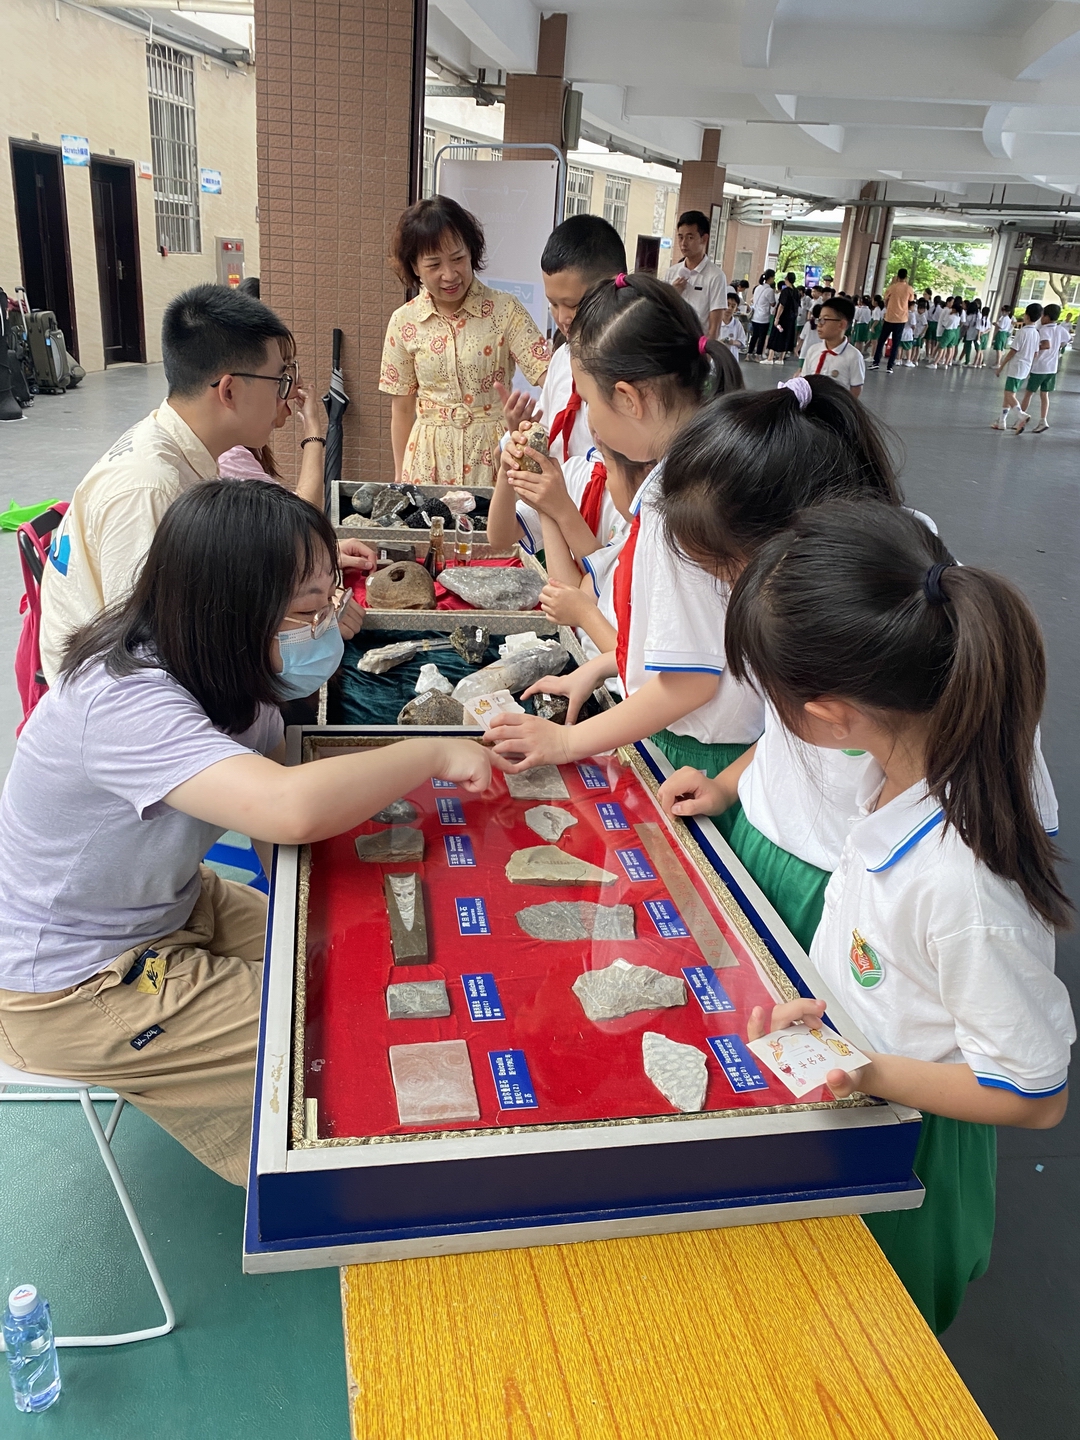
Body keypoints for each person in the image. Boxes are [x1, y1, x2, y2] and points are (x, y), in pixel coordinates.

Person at [0, 481, 495, 1186]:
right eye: (307, 610)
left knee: (354, 952)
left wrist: (314, 908)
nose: (325, 625)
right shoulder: (124, 702)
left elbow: (275, 813)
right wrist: (433, 753)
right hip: (71, 982)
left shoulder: (230, 671)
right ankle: (348, 1191)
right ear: (230, 610)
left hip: (173, 905)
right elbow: (287, 807)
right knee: (331, 1034)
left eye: (327, 602)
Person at [726, 500, 1073, 1334]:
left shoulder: (962, 885)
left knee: (879, 1340)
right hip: (867, 1096)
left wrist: (870, 1070)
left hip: (918, 1149)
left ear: (829, 715)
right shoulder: (884, 779)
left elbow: (1035, 1096)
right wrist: (840, 1027)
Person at [485, 273, 755, 807]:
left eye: (587, 399)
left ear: (628, 398)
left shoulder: (679, 507)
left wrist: (566, 741)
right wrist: (600, 668)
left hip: (702, 754)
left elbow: (690, 683)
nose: (586, 417)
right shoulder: (711, 469)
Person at [654, 376, 898, 949]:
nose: (729, 591)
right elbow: (789, 732)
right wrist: (726, 786)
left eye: (727, 571)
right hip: (764, 839)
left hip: (838, 883)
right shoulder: (804, 598)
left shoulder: (897, 615)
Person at [37, 284, 372, 690]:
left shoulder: (182, 449)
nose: (286, 397)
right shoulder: (149, 489)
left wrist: (304, 568)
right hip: (119, 698)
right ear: (229, 390)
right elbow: (152, 653)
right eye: (279, 381)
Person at [379, 196, 550, 486]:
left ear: (471, 251)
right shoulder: (403, 322)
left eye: (458, 258)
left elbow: (548, 373)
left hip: (493, 455)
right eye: (434, 264)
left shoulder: (505, 310)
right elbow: (403, 407)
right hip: (428, 461)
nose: (449, 274)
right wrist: (400, 475)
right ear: (415, 267)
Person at [498, 214, 627, 461]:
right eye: (553, 304)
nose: (562, 317)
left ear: (613, 286)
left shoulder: (632, 368)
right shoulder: (561, 359)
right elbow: (549, 433)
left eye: (573, 304)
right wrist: (523, 433)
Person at [217, 355, 328, 508]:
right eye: (283, 375)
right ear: (229, 392)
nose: (300, 383)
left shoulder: (241, 448)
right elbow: (302, 513)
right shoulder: (230, 457)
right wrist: (313, 432)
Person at [664, 211, 729, 340]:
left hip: (696, 346)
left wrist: (705, 352)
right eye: (680, 237)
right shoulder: (671, 272)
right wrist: (672, 293)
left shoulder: (716, 276)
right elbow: (661, 313)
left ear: (704, 239)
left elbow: (714, 329)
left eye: (690, 237)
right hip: (671, 343)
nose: (683, 243)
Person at [1015, 303, 1070, 434]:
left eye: (1043, 315)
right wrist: (1058, 347)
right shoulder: (1060, 329)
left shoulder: (1044, 329)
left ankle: (1020, 420)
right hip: (1052, 368)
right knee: (1044, 395)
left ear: (1047, 317)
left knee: (1029, 393)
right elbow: (1067, 340)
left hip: (1040, 367)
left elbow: (1046, 344)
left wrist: (1035, 347)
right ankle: (1043, 420)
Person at [992, 302, 1043, 430]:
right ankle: (1001, 421)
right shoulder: (1036, 333)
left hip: (1017, 366)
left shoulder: (1022, 332)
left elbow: (1012, 351)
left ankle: (1021, 415)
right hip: (1026, 367)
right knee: (1010, 394)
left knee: (1008, 394)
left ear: (1027, 316)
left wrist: (1001, 366)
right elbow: (1036, 353)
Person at [799, 297, 864, 396]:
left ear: (841, 324)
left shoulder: (854, 356)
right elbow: (804, 380)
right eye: (819, 319)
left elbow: (856, 388)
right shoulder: (813, 350)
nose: (819, 324)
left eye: (824, 320)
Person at [870, 267, 915, 373]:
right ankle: (890, 366)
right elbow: (911, 300)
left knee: (881, 340)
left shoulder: (892, 287)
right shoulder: (909, 288)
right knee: (896, 343)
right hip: (901, 319)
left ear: (897, 276)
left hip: (889, 317)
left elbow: (885, 298)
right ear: (906, 277)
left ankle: (876, 362)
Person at [764, 273, 799, 364]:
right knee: (786, 336)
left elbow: (781, 305)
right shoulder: (796, 291)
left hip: (783, 317)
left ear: (787, 279)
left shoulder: (785, 291)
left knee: (775, 335)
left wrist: (777, 318)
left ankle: (770, 358)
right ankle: (781, 358)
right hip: (791, 318)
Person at [748, 270, 777, 358]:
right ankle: (758, 355)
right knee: (762, 337)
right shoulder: (769, 290)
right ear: (770, 278)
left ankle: (749, 354)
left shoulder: (758, 287)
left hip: (755, 315)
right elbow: (773, 303)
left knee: (754, 336)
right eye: (773, 277)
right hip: (763, 317)